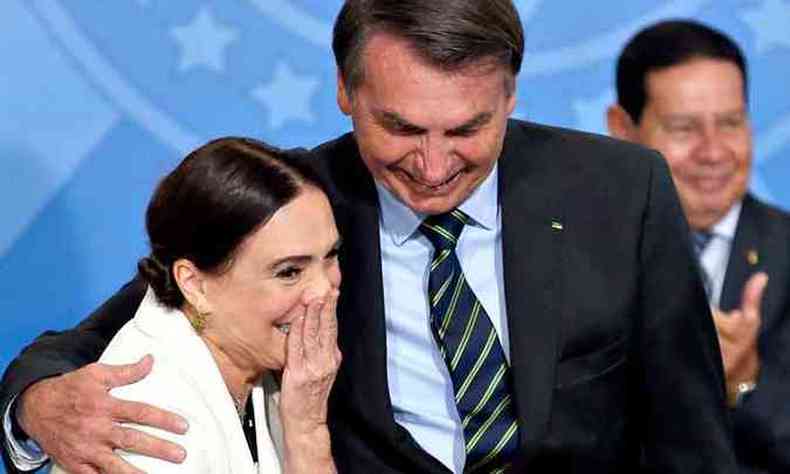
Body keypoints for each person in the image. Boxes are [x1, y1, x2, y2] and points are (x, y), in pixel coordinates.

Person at [2, 2, 737, 473]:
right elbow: (104, 331)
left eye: (470, 129)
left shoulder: (621, 189)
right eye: (401, 128)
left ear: (510, 97)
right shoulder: (299, 208)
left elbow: (691, 434)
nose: (435, 163)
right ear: (346, 93)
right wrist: (34, 408)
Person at [50, 137, 342, 473]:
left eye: (331, 255)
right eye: (289, 272)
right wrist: (308, 434)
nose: (324, 291)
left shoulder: (257, 365)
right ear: (195, 285)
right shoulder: (152, 422)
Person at [607, 20, 790, 473]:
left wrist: (744, 381)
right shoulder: (574, 251)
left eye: (730, 123)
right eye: (684, 128)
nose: (713, 152)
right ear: (623, 129)